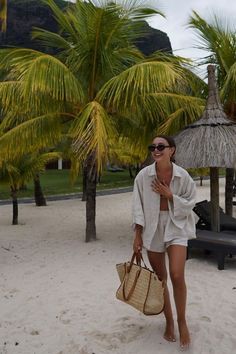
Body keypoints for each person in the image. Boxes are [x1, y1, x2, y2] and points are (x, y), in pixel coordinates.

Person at [132, 135, 196, 351]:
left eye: (161, 146)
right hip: (152, 229)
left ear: (172, 150)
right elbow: (137, 206)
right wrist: (137, 235)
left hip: (176, 225)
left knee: (177, 274)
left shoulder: (183, 176)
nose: (156, 150)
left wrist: (170, 195)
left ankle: (182, 321)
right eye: (153, 147)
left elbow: (190, 203)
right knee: (161, 279)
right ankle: (169, 320)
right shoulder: (143, 176)